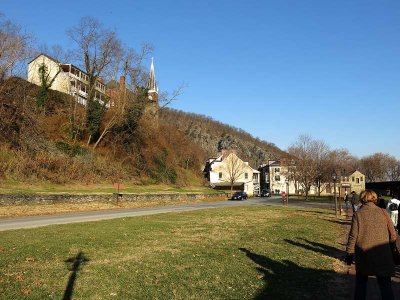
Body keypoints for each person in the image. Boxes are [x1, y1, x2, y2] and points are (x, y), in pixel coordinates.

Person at [345, 189, 396, 300]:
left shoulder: (358, 214)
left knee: (361, 285)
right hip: (383, 254)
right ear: (374, 199)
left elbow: (353, 236)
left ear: (362, 199)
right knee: (385, 285)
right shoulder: (383, 212)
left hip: (364, 254)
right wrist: (392, 248)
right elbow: (393, 235)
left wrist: (349, 253)